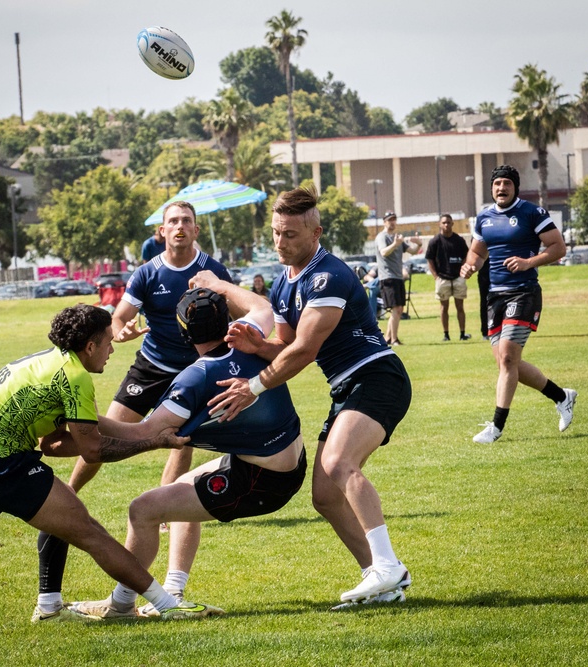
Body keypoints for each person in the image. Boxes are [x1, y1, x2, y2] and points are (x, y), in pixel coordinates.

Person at [193, 186, 413, 608]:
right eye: (276, 233)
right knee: (326, 496)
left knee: (338, 463)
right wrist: (257, 347)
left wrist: (254, 386)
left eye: (290, 234)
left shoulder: (328, 274)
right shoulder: (282, 284)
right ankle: (382, 579)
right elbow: (286, 346)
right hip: (347, 386)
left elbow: (306, 351)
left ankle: (388, 566)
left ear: (316, 232)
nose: (280, 242)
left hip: (377, 376)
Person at [0, 304, 217, 622]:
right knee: (92, 533)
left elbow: (52, 444)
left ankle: (50, 609)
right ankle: (167, 605)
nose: (111, 350)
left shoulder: (54, 362)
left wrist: (142, 433)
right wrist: (152, 442)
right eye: (108, 342)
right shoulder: (74, 377)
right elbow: (92, 451)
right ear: (90, 346)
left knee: (61, 513)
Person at [37, 202, 233, 607]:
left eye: (186, 222)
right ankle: (71, 493)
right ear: (162, 231)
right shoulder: (148, 272)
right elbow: (120, 315)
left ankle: (164, 506)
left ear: (196, 230)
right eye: (172, 222)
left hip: (196, 370)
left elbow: (226, 316)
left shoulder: (213, 271)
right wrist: (121, 328)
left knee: (180, 440)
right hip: (151, 367)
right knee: (103, 427)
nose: (179, 227)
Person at [70, 286, 305, 618]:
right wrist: (218, 284)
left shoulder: (197, 376)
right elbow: (261, 305)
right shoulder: (248, 336)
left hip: (260, 482)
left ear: (183, 333)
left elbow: (143, 433)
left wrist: (88, 417)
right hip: (282, 463)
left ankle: (122, 604)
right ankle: (171, 593)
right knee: (175, 492)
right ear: (227, 319)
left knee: (142, 510)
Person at [459, 165, 577, 444]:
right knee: (506, 363)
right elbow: (476, 252)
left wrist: (528, 262)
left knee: (509, 358)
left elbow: (558, 248)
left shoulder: (531, 213)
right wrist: (469, 267)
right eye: (497, 183)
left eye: (507, 184)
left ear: (515, 188)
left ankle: (496, 427)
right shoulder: (484, 217)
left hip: (523, 293)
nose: (502, 188)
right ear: (492, 188)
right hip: (494, 296)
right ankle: (562, 396)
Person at [374, 211, 421, 346]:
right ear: (384, 222)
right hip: (388, 277)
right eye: (389, 220)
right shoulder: (381, 237)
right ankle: (394, 340)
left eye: (394, 219)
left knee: (399, 309)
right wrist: (395, 244)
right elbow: (383, 252)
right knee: (396, 309)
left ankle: (388, 339)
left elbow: (412, 251)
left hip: (398, 278)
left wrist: (418, 244)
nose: (392, 222)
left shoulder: (397, 238)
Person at [425, 214, 472, 342]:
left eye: (449, 222)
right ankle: (446, 334)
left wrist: (463, 271)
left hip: (457, 277)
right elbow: (429, 258)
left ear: (452, 224)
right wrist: (435, 276)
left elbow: (466, 256)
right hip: (442, 278)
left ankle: (462, 333)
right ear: (440, 224)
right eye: (444, 222)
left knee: (460, 307)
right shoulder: (435, 241)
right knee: (444, 307)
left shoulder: (459, 240)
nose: (446, 225)